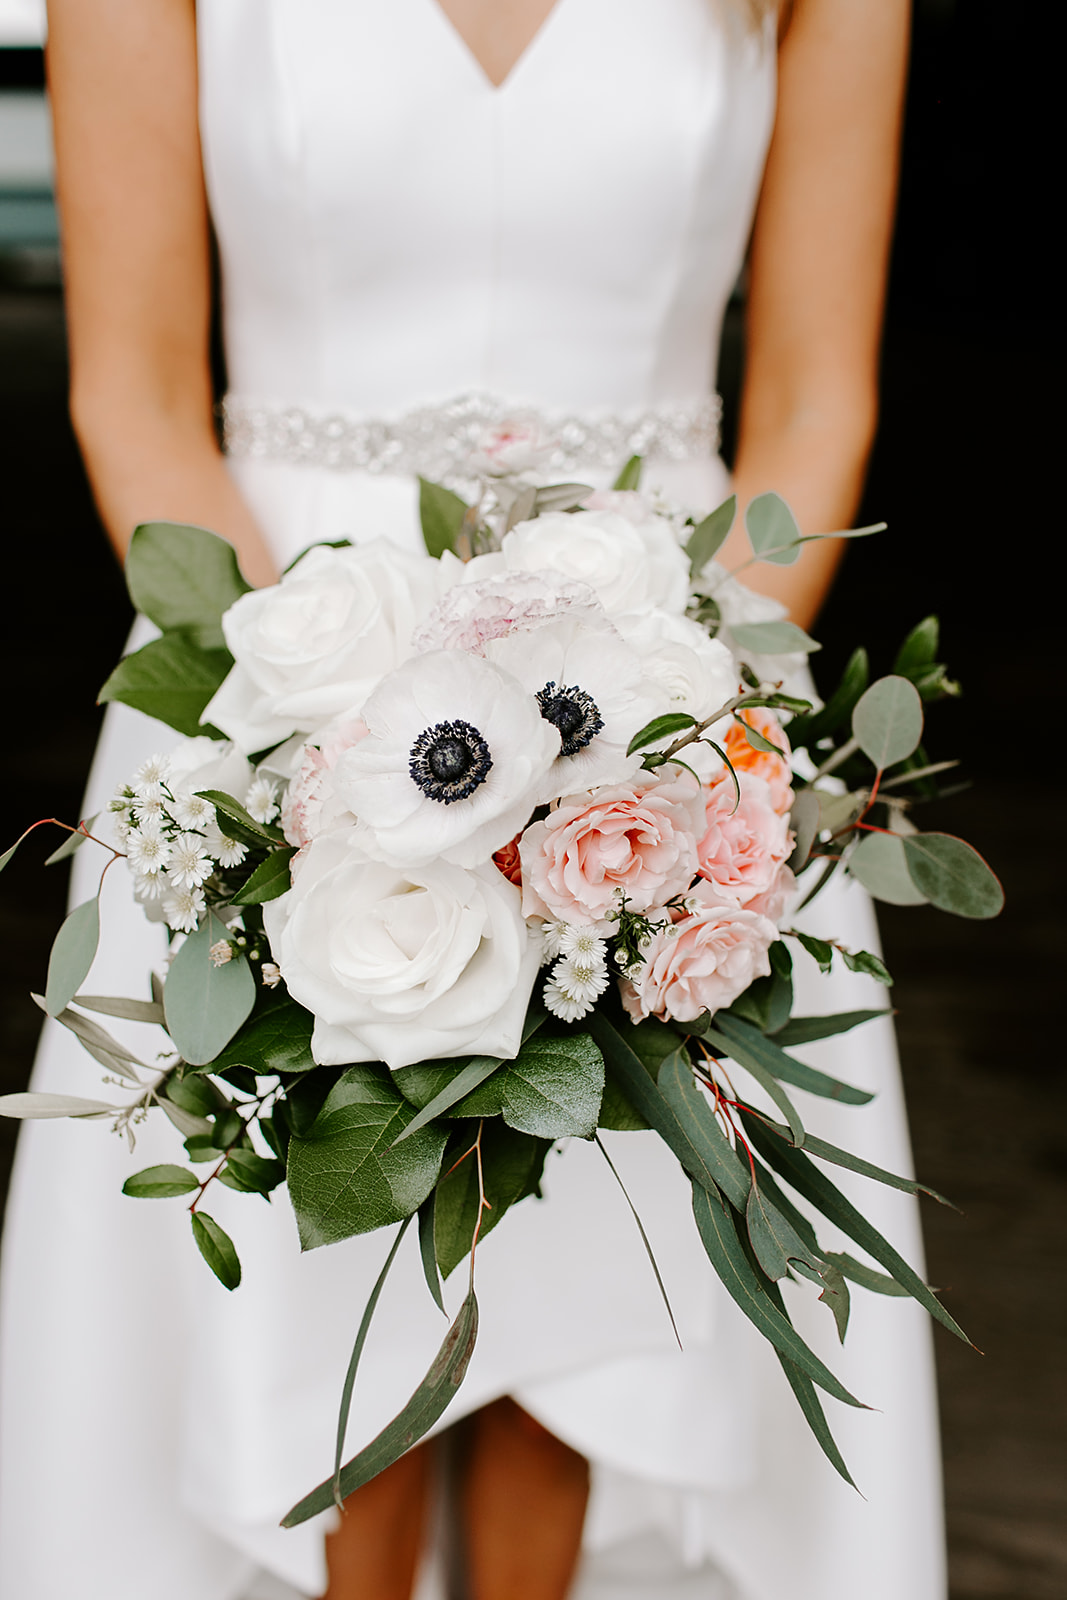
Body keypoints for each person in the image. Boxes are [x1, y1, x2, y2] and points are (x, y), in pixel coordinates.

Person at [0, 2, 944, 1598]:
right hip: (274, 667)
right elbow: (138, 393)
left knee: (613, 1273)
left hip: (673, 676)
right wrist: (316, 760)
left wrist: (664, 750)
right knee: (315, 1304)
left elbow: (811, 397)